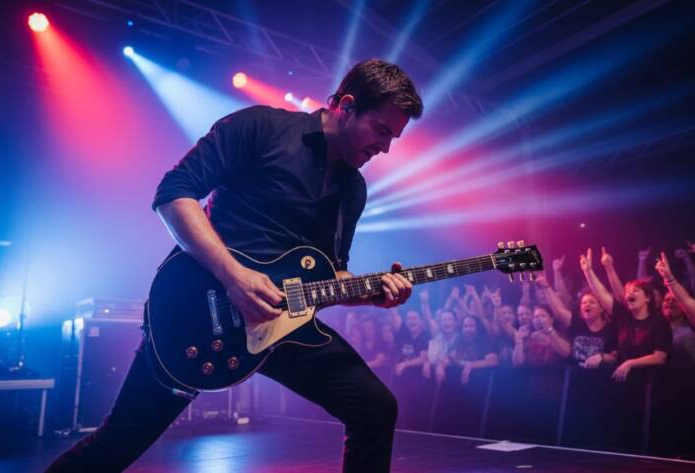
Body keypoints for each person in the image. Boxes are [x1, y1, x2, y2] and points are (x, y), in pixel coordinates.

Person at [46, 59, 423, 473]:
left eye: (393, 138)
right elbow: (173, 194)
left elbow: (331, 274)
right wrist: (234, 277)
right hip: (200, 313)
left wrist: (372, 293)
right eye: (381, 130)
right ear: (346, 106)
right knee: (117, 445)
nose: (385, 148)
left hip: (283, 327)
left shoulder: (353, 190)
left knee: (375, 408)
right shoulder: (262, 127)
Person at [580, 248, 672, 382]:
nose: (630, 294)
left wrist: (630, 363)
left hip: (651, 381)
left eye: (635, 291)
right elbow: (601, 293)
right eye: (628, 292)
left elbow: (659, 357)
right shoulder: (623, 316)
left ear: (647, 298)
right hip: (623, 379)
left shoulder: (658, 320)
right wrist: (588, 271)